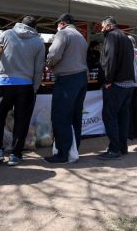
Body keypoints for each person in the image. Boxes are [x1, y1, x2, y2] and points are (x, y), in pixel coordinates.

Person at [0, 16, 45, 166]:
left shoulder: (6, 34)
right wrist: (34, 88)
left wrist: (0, 52)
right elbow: (39, 69)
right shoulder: (38, 42)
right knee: (22, 119)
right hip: (25, 85)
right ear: (35, 28)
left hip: (4, 82)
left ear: (20, 23)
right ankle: (15, 154)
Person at [44, 13, 88, 164]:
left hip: (67, 78)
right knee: (75, 116)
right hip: (81, 78)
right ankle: (73, 151)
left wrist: (48, 64)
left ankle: (63, 153)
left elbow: (54, 54)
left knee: (60, 116)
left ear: (62, 23)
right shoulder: (81, 36)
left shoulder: (63, 33)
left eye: (57, 25)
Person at [99, 16, 135, 159]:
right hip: (128, 83)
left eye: (102, 27)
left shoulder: (112, 36)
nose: (101, 29)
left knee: (109, 116)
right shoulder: (125, 37)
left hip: (117, 83)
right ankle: (122, 147)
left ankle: (114, 149)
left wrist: (108, 79)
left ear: (108, 26)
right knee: (123, 116)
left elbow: (110, 59)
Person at [127, 35, 137, 140]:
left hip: (132, 82)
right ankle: (136, 131)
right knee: (134, 107)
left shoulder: (129, 52)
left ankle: (131, 132)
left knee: (129, 108)